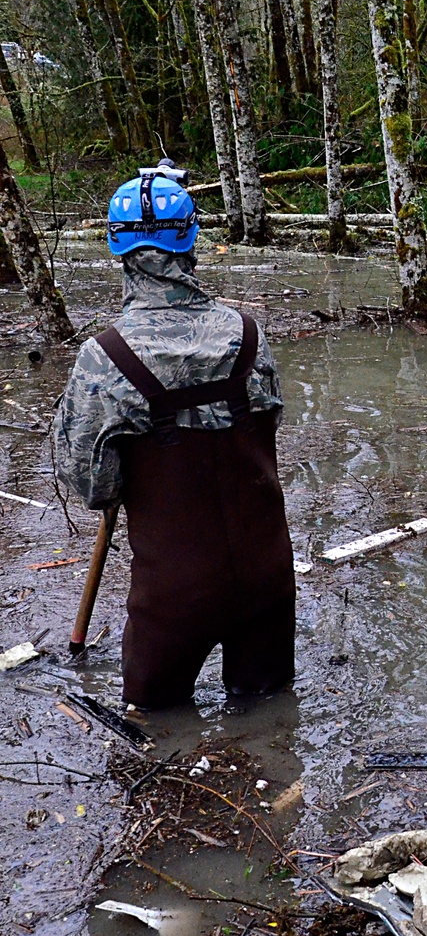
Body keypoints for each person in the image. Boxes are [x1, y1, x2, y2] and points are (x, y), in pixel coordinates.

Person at [55, 161, 295, 708]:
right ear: (193, 239)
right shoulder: (249, 333)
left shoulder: (105, 357)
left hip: (175, 593)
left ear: (116, 249)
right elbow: (268, 428)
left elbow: (92, 484)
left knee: (155, 727)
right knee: (272, 716)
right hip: (268, 576)